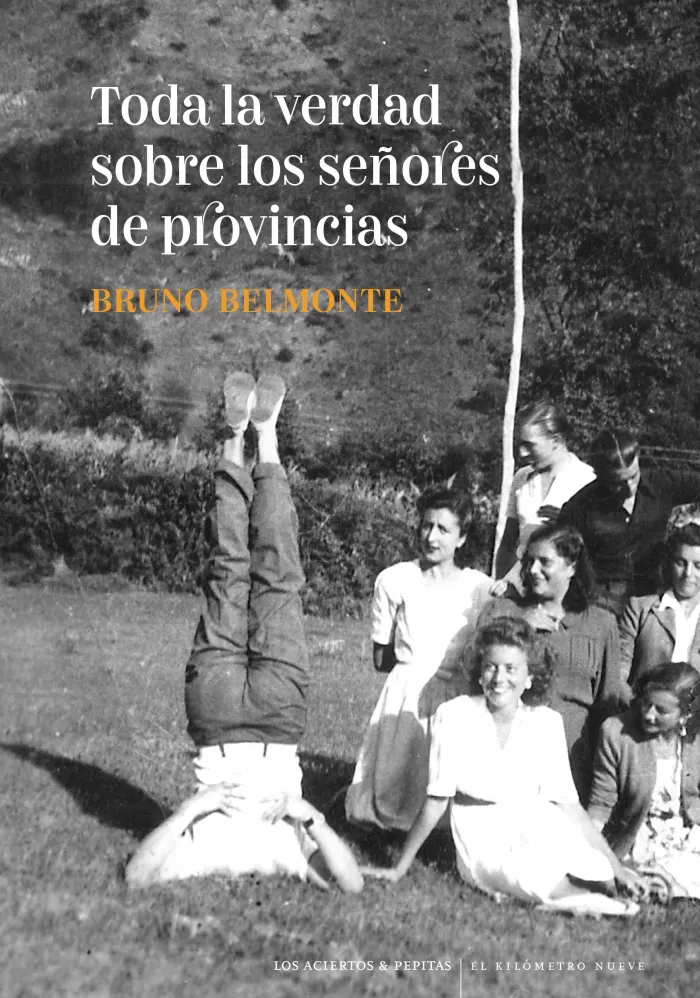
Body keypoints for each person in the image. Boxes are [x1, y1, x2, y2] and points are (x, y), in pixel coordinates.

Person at [125, 372, 363, 892]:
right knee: (238, 572)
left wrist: (193, 809)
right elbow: (351, 884)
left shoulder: (194, 857)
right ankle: (251, 435)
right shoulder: (292, 855)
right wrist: (312, 819)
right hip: (274, 721)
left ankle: (254, 434)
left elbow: (137, 876)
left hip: (220, 721)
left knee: (262, 576)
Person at [363, 617, 644, 916]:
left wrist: (616, 868)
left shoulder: (547, 722)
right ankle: (597, 902)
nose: (499, 678)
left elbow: (570, 807)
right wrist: (399, 868)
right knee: (525, 876)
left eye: (511, 669)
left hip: (537, 821)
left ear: (530, 677)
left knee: (596, 867)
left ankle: (601, 890)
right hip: (483, 837)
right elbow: (436, 802)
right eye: (491, 667)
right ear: (479, 672)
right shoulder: (454, 715)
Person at [345, 486, 492, 831]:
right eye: (427, 526)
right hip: (406, 687)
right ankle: (386, 819)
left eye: (443, 529)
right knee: (396, 770)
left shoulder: (480, 588)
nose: (431, 537)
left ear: (462, 537)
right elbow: (380, 655)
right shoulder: (395, 579)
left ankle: (436, 828)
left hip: (454, 689)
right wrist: (407, 674)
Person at [472, 523, 619, 801]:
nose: (533, 570)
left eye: (544, 562)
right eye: (528, 561)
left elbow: (607, 703)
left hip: (571, 759)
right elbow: (472, 670)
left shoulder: (601, 624)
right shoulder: (501, 611)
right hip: (507, 751)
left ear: (572, 567)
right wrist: (519, 624)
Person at [558, 428, 700, 616]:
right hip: (603, 604)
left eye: (633, 476)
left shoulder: (661, 483)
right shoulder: (580, 507)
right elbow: (561, 559)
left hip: (652, 600)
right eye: (618, 481)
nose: (629, 487)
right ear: (600, 475)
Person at [588, 662, 700, 900]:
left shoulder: (695, 741)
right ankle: (663, 883)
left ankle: (669, 884)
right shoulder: (617, 733)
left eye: (661, 710)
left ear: (686, 715)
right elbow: (600, 805)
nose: (648, 714)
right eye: (646, 703)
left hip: (687, 839)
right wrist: (592, 851)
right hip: (638, 842)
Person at [494, 401, 595, 589]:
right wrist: (503, 581)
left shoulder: (586, 479)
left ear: (556, 441)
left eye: (530, 445)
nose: (522, 453)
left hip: (568, 589)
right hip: (523, 585)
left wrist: (567, 521)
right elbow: (509, 541)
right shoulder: (522, 478)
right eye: (520, 444)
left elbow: (594, 546)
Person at [618, 524, 700, 702]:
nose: (688, 573)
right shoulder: (640, 609)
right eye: (681, 563)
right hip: (642, 709)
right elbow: (618, 673)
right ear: (670, 563)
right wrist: (640, 709)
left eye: (698, 566)